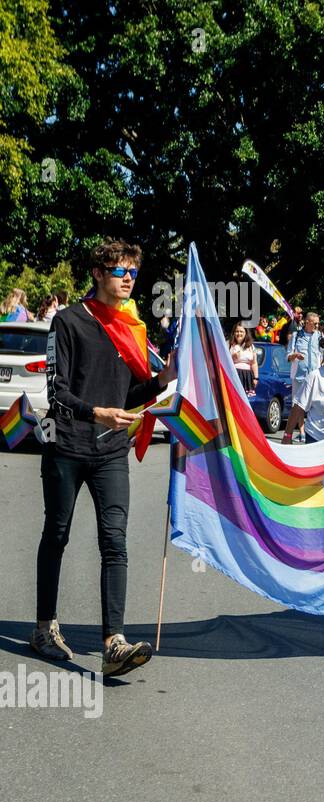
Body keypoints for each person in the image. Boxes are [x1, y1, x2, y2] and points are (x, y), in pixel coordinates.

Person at [34, 239, 176, 676]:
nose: (129, 278)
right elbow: (56, 391)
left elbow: (125, 396)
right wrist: (94, 412)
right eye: (120, 271)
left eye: (133, 270)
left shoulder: (130, 328)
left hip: (111, 451)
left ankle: (113, 643)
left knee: (115, 541)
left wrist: (159, 381)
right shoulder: (68, 321)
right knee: (57, 534)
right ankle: (44, 627)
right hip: (66, 446)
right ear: (98, 273)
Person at [286, 311, 324, 440]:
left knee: (315, 403)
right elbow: (288, 356)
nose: (317, 326)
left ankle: (310, 431)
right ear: (307, 322)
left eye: (318, 323)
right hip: (299, 375)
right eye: (315, 323)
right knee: (298, 404)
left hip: (315, 375)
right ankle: (301, 431)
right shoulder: (296, 335)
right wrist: (295, 355)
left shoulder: (319, 336)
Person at [228, 322, 259, 395]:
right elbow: (225, 361)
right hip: (234, 375)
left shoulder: (251, 346)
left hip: (247, 376)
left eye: (241, 331)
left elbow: (254, 363)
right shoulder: (230, 345)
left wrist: (256, 378)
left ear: (245, 333)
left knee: (245, 399)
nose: (239, 334)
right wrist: (233, 357)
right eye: (237, 331)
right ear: (234, 333)